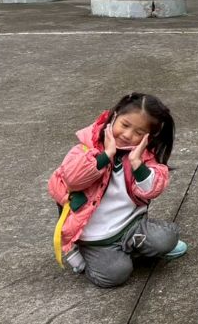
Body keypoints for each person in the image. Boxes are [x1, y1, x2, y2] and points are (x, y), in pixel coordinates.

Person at [48, 93, 186, 288]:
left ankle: (130, 248)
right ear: (114, 117)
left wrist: (137, 164)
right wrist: (106, 155)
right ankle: (90, 256)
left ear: (148, 137)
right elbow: (73, 180)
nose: (128, 135)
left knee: (167, 239)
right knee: (115, 274)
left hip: (131, 226)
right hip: (96, 238)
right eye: (125, 125)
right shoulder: (85, 149)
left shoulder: (144, 157)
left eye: (139, 132)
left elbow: (152, 189)